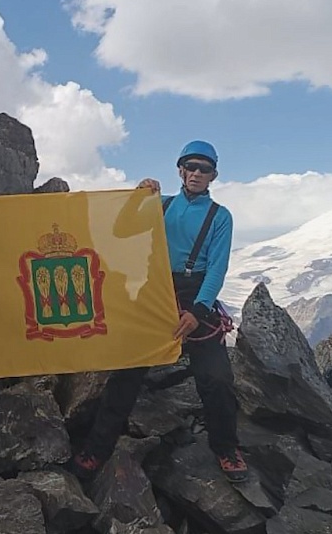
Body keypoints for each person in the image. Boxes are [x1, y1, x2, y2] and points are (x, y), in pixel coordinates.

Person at [66, 140, 248, 483]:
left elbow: (217, 268)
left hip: (196, 297)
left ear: (213, 176)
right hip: (157, 290)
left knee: (216, 378)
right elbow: (122, 229)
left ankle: (226, 448)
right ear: (180, 169)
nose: (196, 173)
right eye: (190, 166)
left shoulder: (220, 216)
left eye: (203, 169)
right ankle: (97, 448)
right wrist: (138, 197)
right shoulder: (158, 206)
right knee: (127, 372)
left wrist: (198, 310)